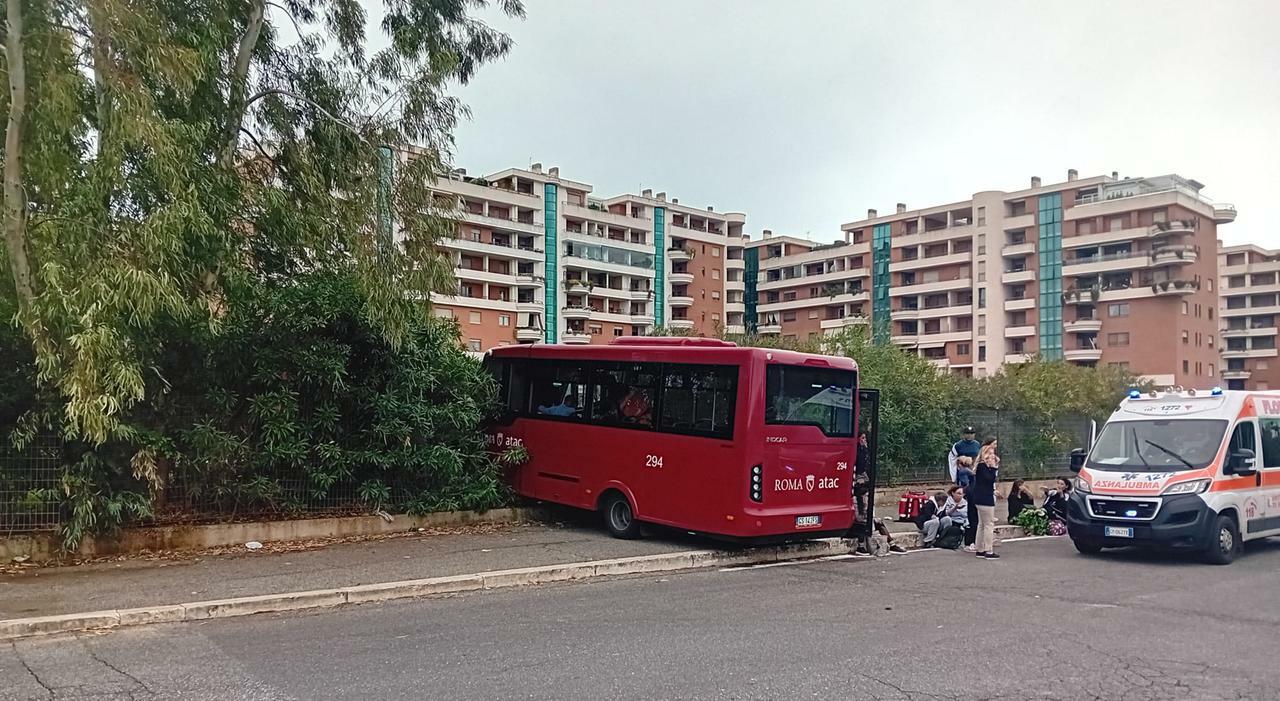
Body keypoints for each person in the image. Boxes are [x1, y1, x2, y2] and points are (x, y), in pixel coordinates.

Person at [971, 437, 1001, 559]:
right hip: (985, 498)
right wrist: (994, 468)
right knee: (988, 524)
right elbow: (990, 480)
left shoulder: (980, 466)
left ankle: (980, 549)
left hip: (979, 497)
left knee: (982, 524)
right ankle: (988, 550)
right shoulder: (984, 467)